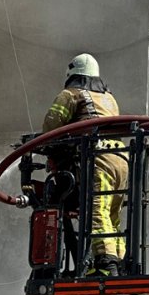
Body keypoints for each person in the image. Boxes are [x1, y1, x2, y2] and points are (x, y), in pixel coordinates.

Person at [42, 53, 128, 276]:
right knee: (112, 214)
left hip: (97, 157)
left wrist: (48, 147)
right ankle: (117, 260)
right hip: (121, 158)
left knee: (96, 210)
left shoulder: (71, 94)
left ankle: (106, 264)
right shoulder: (109, 98)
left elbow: (52, 125)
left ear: (72, 73)